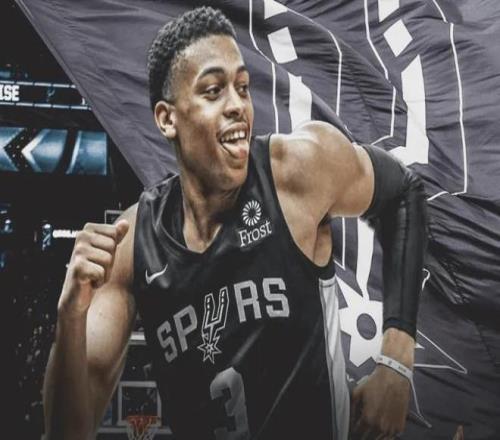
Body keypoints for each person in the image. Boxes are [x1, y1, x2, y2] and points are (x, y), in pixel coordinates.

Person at [43, 7, 427, 440]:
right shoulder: (132, 246)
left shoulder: (297, 171)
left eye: (242, 88)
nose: (238, 106)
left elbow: (404, 193)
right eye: (213, 91)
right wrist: (70, 317)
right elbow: (68, 433)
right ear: (168, 119)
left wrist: (396, 363)